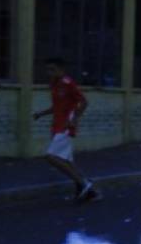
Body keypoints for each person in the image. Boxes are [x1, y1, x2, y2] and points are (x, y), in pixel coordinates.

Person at [33, 57, 101, 202]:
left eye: (53, 69)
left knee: (51, 156)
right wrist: (41, 114)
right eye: (48, 70)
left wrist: (75, 119)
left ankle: (84, 184)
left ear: (61, 70)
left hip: (65, 126)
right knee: (67, 161)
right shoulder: (54, 85)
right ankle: (89, 191)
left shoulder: (68, 83)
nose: (49, 73)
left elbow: (83, 102)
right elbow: (57, 107)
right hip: (57, 126)